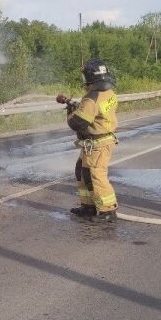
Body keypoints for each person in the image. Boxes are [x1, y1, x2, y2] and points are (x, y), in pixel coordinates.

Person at [56, 59, 119, 223]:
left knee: (95, 175)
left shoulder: (91, 99)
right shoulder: (109, 93)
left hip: (97, 144)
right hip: (97, 143)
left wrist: (70, 112)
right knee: (82, 172)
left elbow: (76, 123)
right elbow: (95, 112)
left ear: (91, 78)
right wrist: (78, 107)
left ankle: (108, 210)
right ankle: (88, 206)